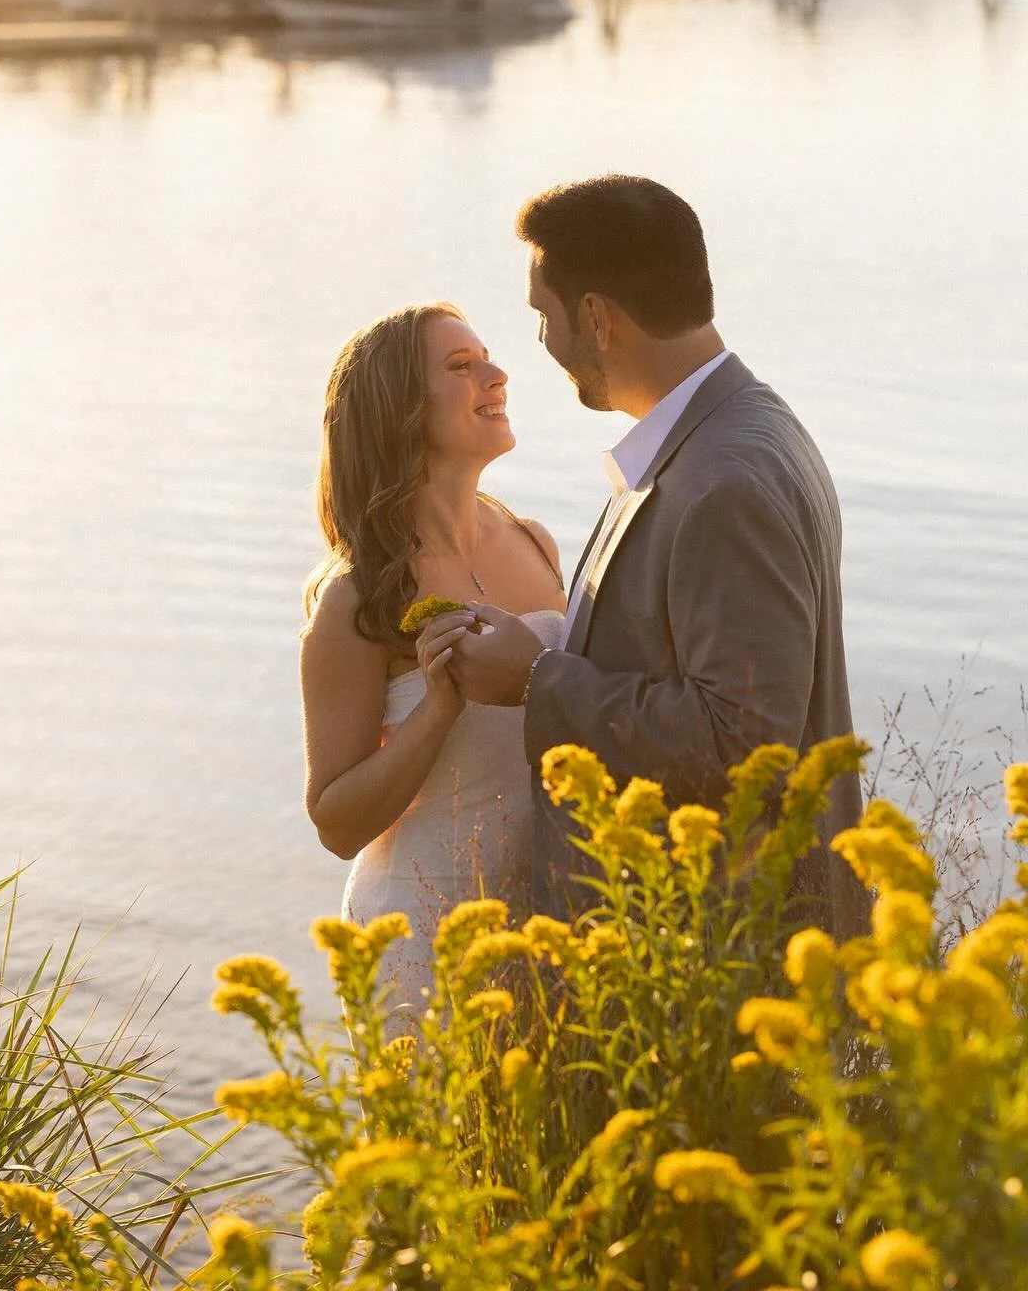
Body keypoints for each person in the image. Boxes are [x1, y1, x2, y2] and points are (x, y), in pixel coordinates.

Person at [419, 176, 868, 941]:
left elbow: (742, 742)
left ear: (596, 316)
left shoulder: (723, 480)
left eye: (543, 315)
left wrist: (535, 680)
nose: (542, 343)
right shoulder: (730, 431)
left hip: (719, 959)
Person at [300, 302, 567, 1011]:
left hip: (550, 925)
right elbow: (336, 822)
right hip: (422, 940)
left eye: (487, 357)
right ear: (402, 412)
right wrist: (439, 709)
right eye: (462, 367)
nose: (497, 375)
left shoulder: (535, 541)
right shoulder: (356, 599)